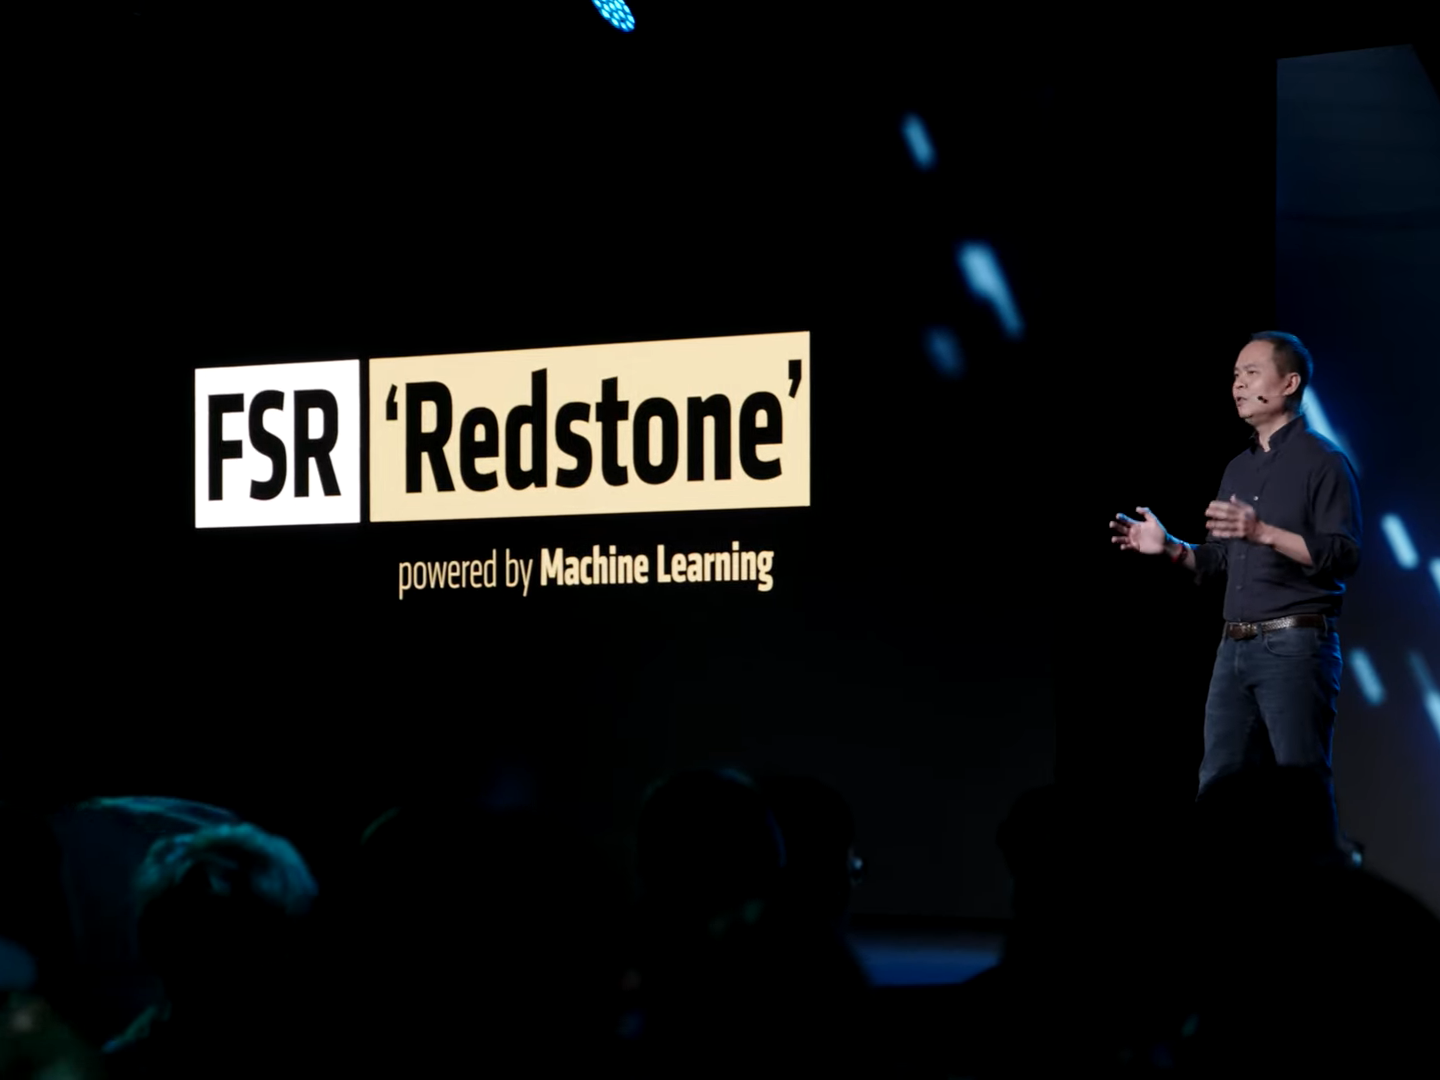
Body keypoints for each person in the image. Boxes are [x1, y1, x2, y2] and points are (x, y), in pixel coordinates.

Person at [1110, 332, 1361, 837]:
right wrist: (1172, 548)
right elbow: (1220, 559)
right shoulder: (1237, 468)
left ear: (1289, 383)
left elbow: (1343, 555)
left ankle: (1323, 883)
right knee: (1216, 785)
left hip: (1295, 644)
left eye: (1251, 373)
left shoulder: (1325, 462)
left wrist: (1263, 532)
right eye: (1235, 375)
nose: (1238, 385)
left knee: (1301, 788)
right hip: (1233, 647)